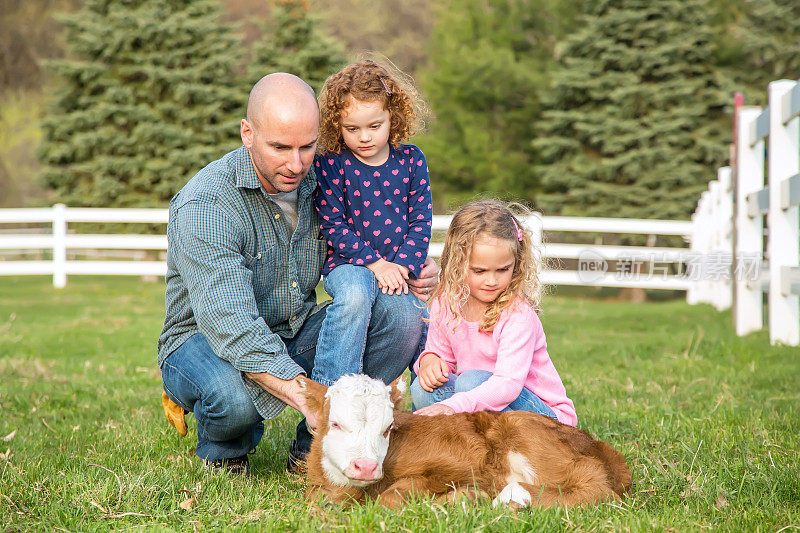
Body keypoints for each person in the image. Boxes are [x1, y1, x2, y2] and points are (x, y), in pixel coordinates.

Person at [156, 73, 437, 476]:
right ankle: (224, 449)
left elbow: (379, 225)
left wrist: (423, 266)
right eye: (280, 148)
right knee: (234, 399)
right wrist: (313, 400)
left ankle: (312, 449)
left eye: (307, 146)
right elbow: (231, 326)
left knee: (401, 316)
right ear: (247, 133)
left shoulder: (323, 177)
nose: (296, 163)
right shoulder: (207, 204)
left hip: (293, 328)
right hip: (205, 339)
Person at [311, 60, 432, 387]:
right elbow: (332, 223)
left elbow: (421, 223)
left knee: (413, 320)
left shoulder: (411, 159)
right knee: (355, 295)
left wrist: (403, 267)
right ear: (338, 125)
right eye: (352, 129)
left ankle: (368, 401)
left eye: (374, 126)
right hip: (348, 264)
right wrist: (376, 264)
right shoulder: (332, 162)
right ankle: (327, 402)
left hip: (398, 270)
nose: (364, 137)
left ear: (393, 115)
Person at [410, 200, 577, 426]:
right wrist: (429, 361)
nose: (492, 281)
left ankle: (476, 438)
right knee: (422, 389)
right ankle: (469, 443)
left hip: (546, 420)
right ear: (457, 264)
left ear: (516, 264)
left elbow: (507, 386)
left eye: (503, 270)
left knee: (470, 381)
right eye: (479, 271)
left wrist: (453, 405)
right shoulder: (446, 303)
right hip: (483, 404)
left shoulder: (517, 314)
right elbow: (442, 359)